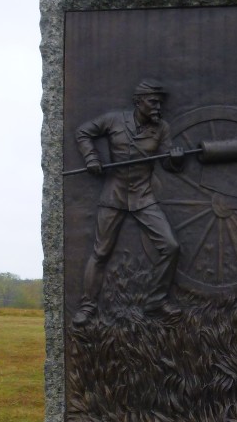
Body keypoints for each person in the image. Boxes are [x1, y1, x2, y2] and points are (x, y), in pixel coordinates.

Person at [72, 79, 185, 324]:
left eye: (160, 103)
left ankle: (155, 302)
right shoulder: (113, 120)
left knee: (171, 246)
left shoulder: (161, 128)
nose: (158, 107)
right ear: (138, 102)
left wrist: (175, 158)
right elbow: (82, 132)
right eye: (153, 102)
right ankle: (87, 307)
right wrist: (91, 158)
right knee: (101, 252)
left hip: (143, 196)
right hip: (114, 194)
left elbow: (167, 163)